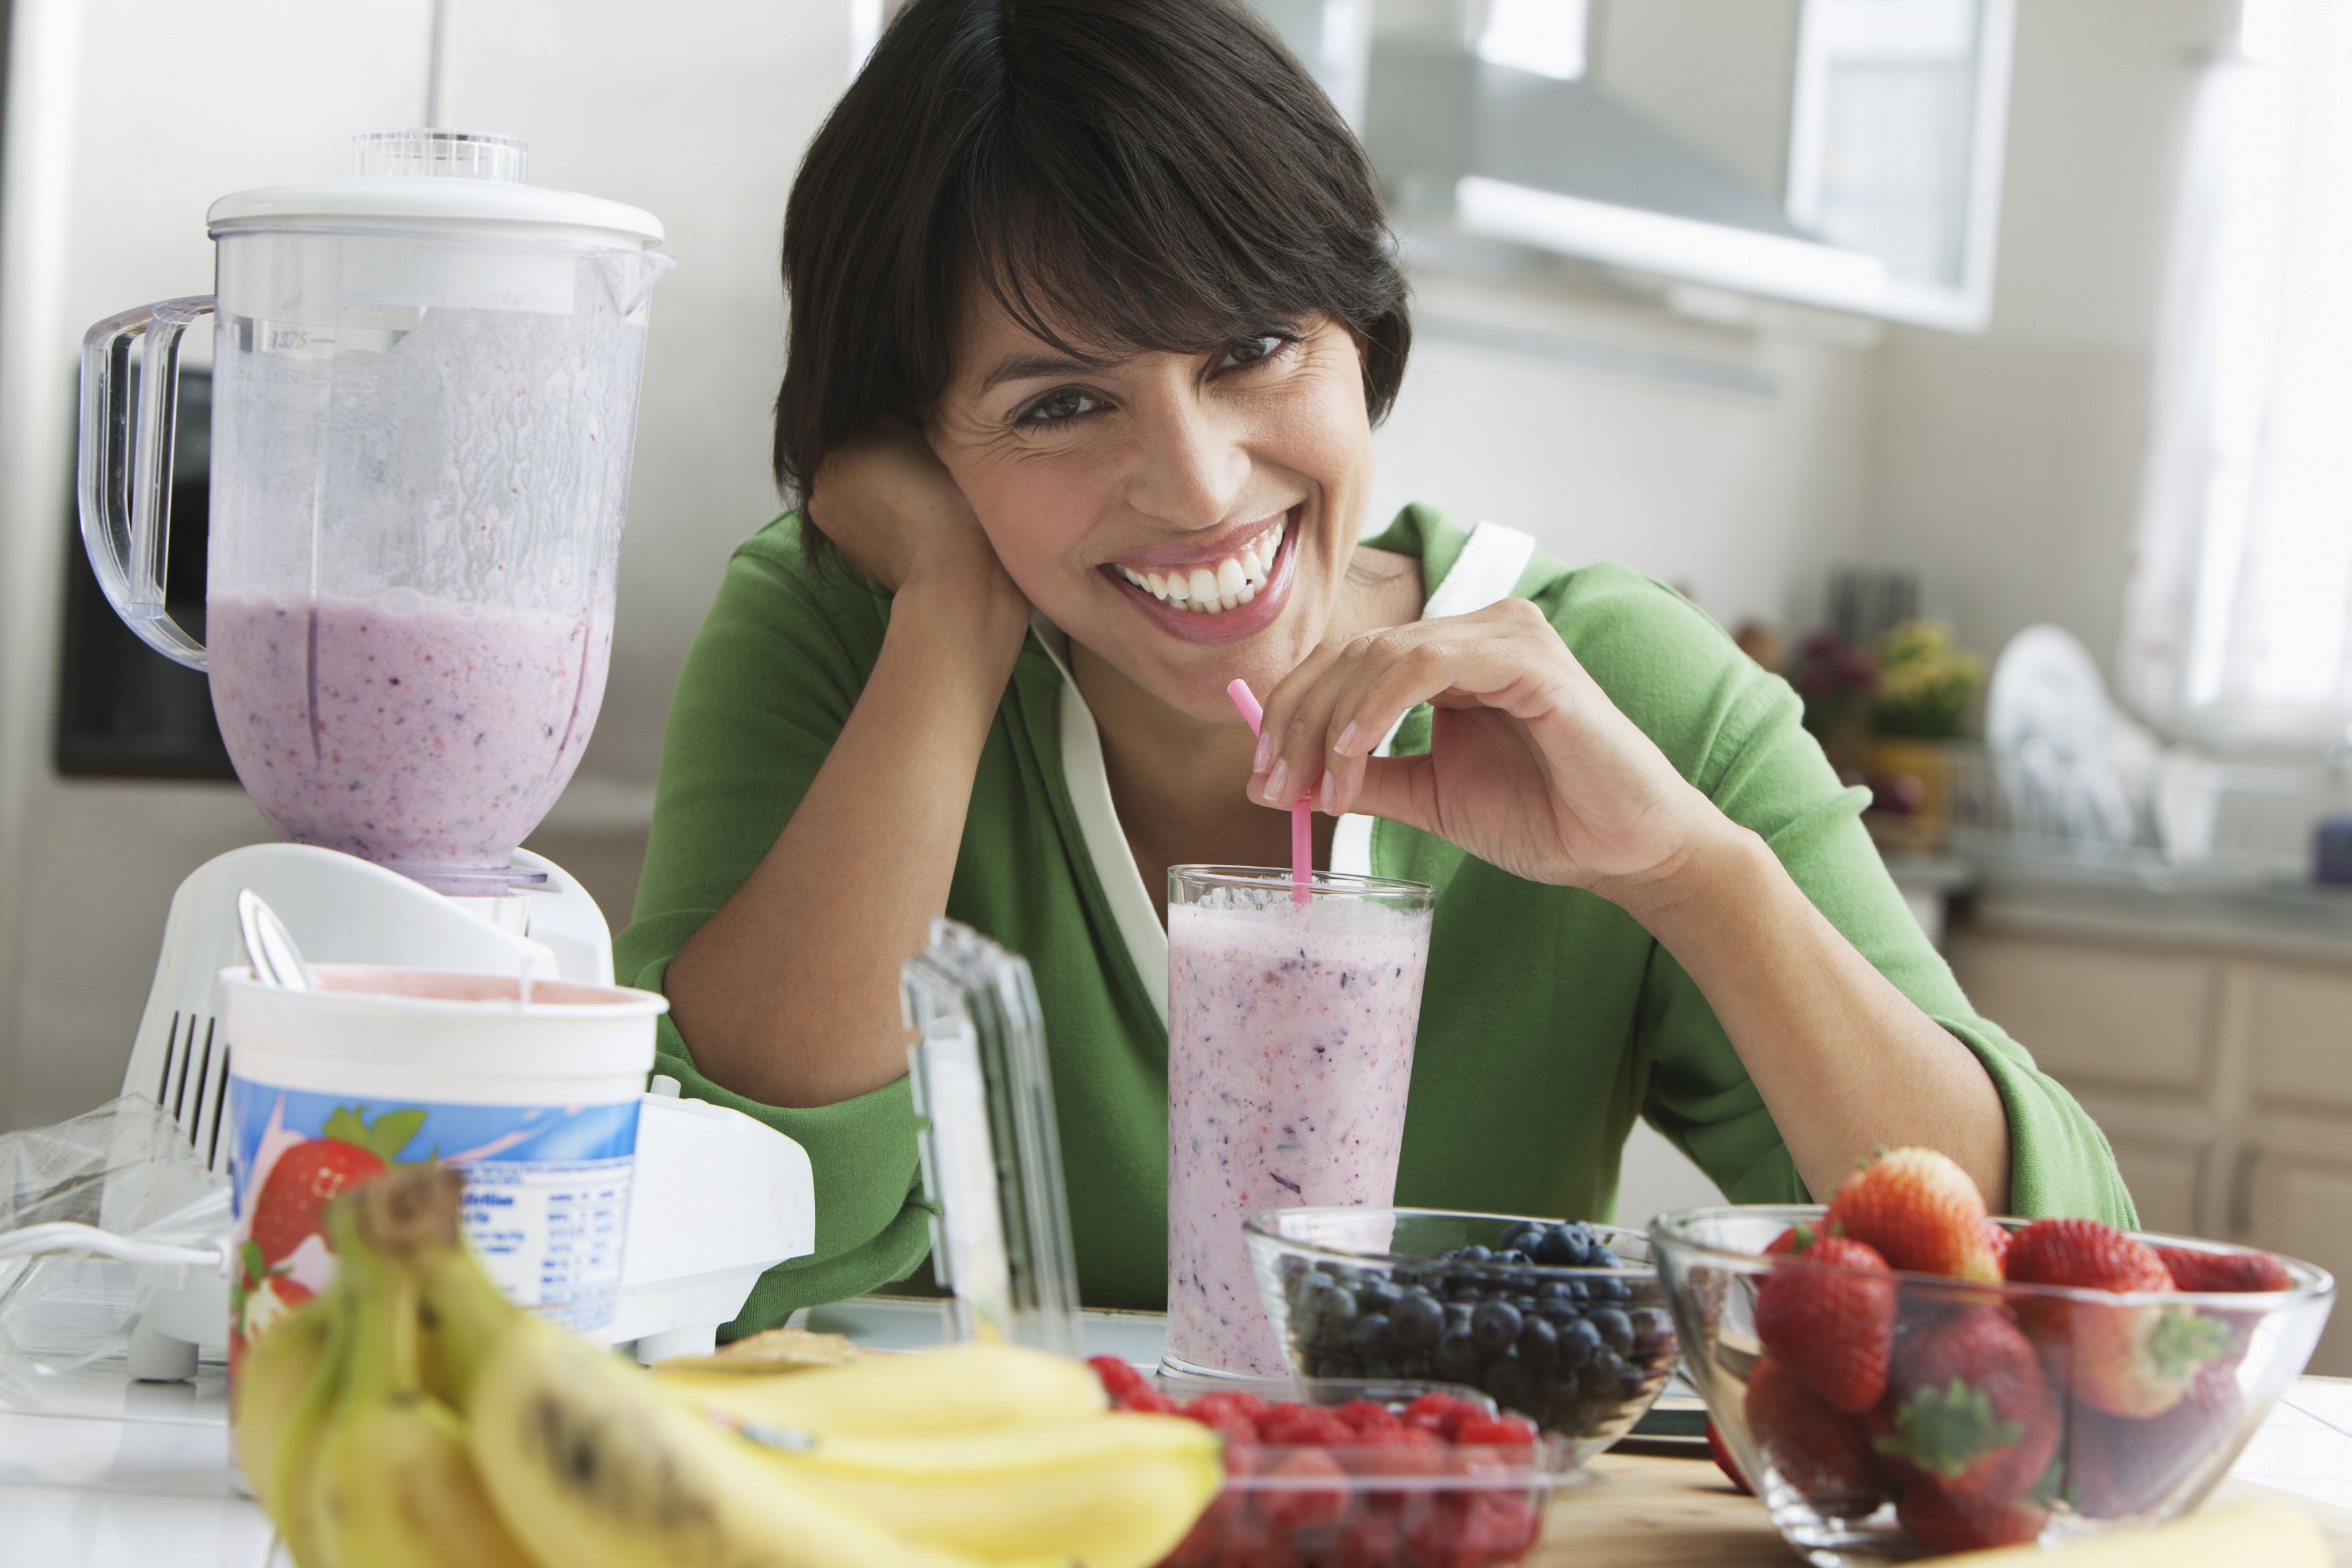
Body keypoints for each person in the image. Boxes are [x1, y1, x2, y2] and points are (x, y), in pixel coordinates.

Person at [617, 0, 2130, 1334]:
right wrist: (947, 621)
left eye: (1251, 347)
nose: (1200, 486)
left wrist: (1689, 876)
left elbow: (2035, 1304)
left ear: (1364, 330)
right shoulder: (837, 636)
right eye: (1061, 405)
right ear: (910, 440)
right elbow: (704, 1253)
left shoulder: (1616, 688)